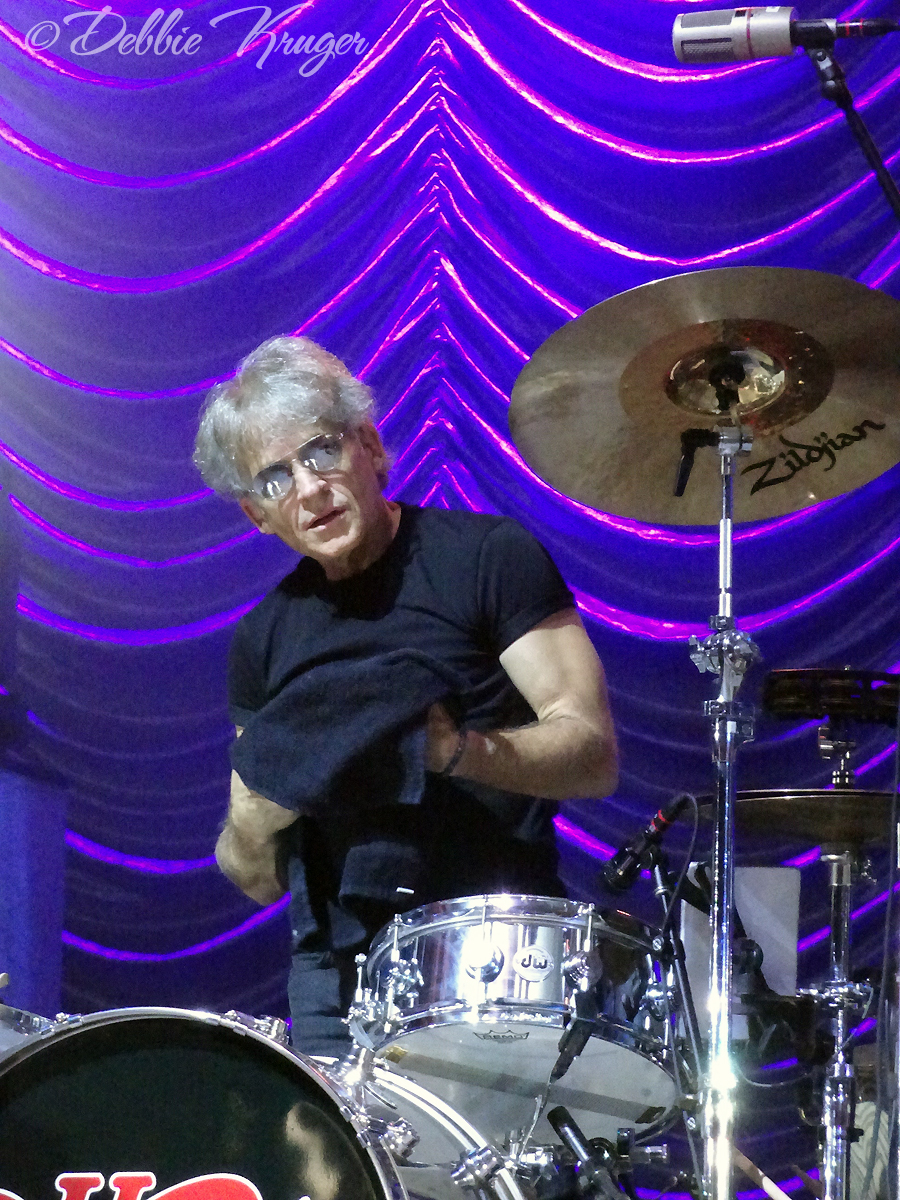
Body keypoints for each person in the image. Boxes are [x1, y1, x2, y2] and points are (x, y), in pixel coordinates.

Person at [193, 335, 618, 1056]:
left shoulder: (486, 558)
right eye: (274, 478)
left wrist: (455, 752)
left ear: (370, 446)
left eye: (321, 452)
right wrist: (252, 822)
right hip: (334, 980)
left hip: (491, 946)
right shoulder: (261, 638)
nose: (308, 489)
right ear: (255, 515)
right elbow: (258, 880)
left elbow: (594, 755)